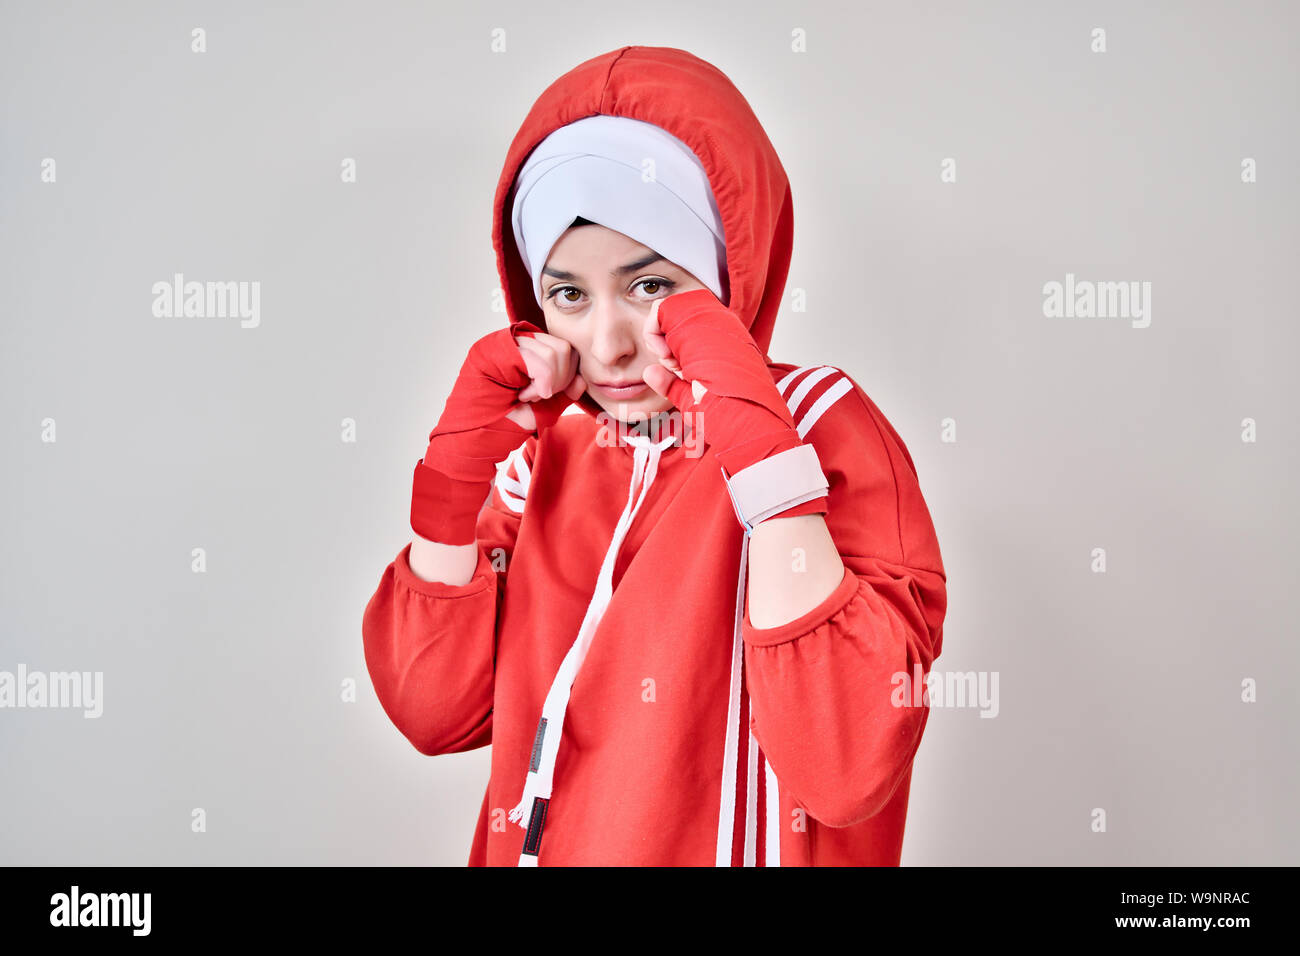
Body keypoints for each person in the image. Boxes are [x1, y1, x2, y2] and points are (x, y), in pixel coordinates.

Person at [362, 45, 948, 866]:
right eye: (568, 294)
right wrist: (451, 483)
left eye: (652, 286)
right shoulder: (547, 459)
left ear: (725, 266)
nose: (608, 344)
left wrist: (764, 456)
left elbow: (845, 765)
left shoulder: (821, 423)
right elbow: (433, 712)